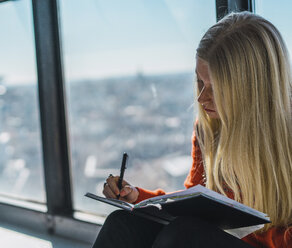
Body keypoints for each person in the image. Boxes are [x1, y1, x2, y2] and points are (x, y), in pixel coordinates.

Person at [92, 11, 292, 248]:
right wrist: (137, 197)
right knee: (122, 223)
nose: (201, 98)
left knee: (185, 235)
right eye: (200, 82)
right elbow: (191, 206)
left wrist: (245, 233)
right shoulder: (209, 131)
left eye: (216, 88)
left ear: (252, 89)